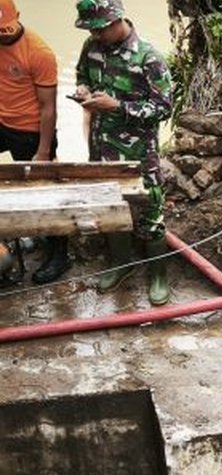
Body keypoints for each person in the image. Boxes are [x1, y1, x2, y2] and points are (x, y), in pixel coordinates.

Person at [74, 0, 174, 306]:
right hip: (102, 151)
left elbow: (163, 108)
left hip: (139, 154)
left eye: (99, 29)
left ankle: (158, 274)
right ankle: (122, 265)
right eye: (91, 29)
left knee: (151, 212)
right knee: (110, 208)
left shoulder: (148, 57)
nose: (95, 34)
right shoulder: (91, 47)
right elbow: (82, 75)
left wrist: (117, 106)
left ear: (117, 21)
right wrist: (82, 90)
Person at [0, 0, 66, 284]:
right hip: (2, 122)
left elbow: (48, 107)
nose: (2, 35)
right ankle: (11, 236)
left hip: (31, 129)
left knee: (44, 189)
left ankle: (60, 254)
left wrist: (42, 152)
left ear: (18, 18)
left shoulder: (38, 52)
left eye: (5, 30)